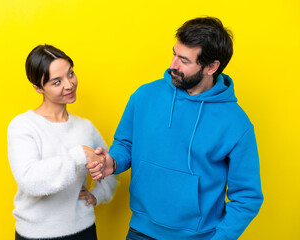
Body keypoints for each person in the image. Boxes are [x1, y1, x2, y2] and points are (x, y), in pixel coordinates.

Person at [87, 17, 263, 239]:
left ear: (212, 67)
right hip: (140, 231)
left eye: (184, 60)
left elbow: (247, 197)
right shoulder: (145, 96)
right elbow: (125, 144)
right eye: (174, 54)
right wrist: (112, 162)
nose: (173, 65)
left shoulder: (236, 124)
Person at [7, 44, 117, 240]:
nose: (69, 84)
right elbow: (29, 180)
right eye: (56, 82)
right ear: (38, 88)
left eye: (71, 74)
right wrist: (79, 155)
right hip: (34, 235)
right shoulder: (23, 126)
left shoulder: (85, 127)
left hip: (84, 231)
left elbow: (109, 168)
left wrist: (98, 194)